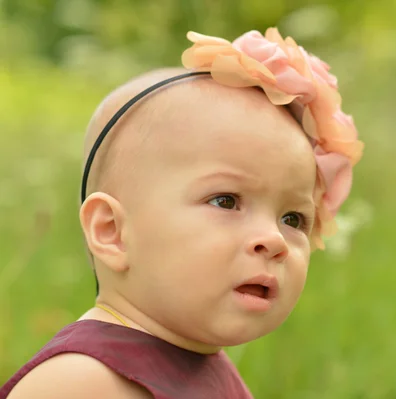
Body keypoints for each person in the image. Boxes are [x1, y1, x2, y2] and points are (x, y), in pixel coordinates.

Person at [0, 27, 363, 399]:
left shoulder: (202, 365)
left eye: (293, 219)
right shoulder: (80, 382)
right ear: (111, 231)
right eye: (226, 201)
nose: (273, 240)